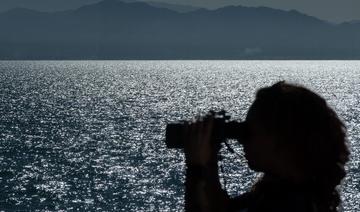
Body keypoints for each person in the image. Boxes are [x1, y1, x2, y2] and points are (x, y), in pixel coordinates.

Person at [184, 81, 349, 212]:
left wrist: (196, 168)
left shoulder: (287, 205)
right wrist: (209, 162)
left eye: (250, 131)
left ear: (280, 139)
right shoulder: (287, 194)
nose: (242, 140)